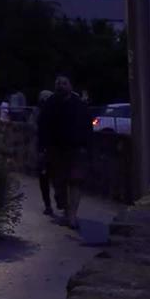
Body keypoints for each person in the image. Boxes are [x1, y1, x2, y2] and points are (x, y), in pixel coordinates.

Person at [37, 75, 91, 229]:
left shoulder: (79, 105)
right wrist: (42, 148)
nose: (61, 86)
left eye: (64, 83)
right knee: (59, 183)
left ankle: (72, 215)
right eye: (58, 83)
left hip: (76, 149)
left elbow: (87, 126)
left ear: (70, 86)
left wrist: (87, 146)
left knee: (75, 181)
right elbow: (42, 128)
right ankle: (67, 211)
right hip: (56, 150)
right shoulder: (50, 105)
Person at [30, 89, 62, 216]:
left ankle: (55, 201)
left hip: (49, 148)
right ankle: (50, 204)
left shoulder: (53, 112)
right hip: (45, 148)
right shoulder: (38, 112)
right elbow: (33, 127)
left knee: (50, 177)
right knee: (46, 177)